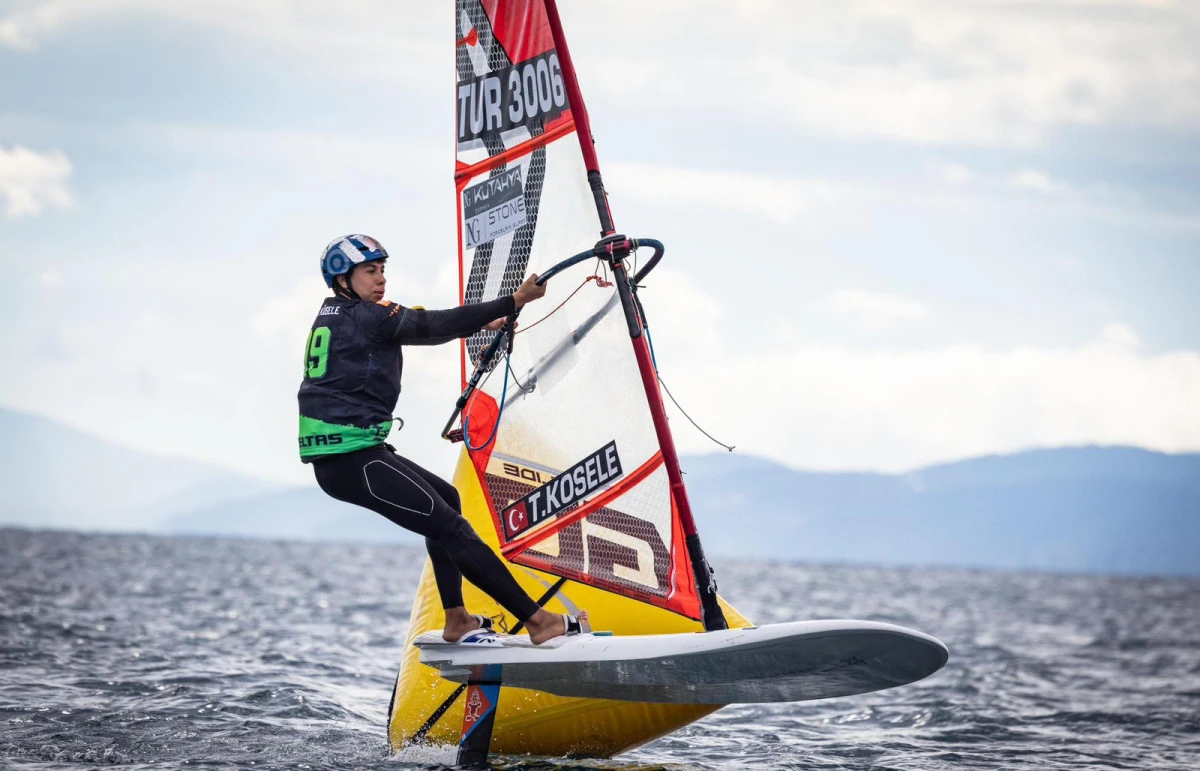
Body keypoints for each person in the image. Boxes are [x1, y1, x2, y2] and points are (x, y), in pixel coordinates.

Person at [298, 234, 589, 644]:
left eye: (382, 270)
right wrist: (513, 301)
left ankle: (457, 618)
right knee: (453, 528)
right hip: (351, 460)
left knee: (447, 502)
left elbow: (419, 324)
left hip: (352, 454)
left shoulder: (338, 314)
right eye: (370, 271)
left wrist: (480, 320)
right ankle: (538, 621)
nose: (381, 279)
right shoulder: (367, 316)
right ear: (343, 278)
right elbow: (426, 325)